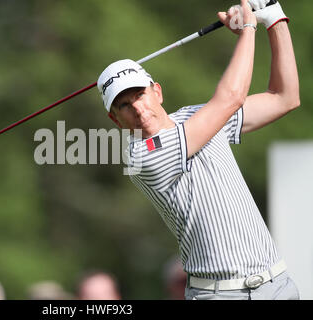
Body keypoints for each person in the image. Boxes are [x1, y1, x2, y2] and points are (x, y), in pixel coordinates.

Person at [97, 0, 300, 300]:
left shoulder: (198, 116)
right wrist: (247, 28)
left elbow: (284, 97)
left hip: (278, 285)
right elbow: (230, 98)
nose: (138, 110)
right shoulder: (141, 156)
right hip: (219, 295)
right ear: (114, 119)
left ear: (158, 92)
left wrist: (274, 18)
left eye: (140, 95)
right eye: (124, 105)